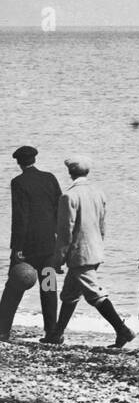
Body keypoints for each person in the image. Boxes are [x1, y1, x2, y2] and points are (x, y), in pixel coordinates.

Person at [46, 155, 136, 348]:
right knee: (70, 294)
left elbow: (65, 233)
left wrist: (58, 259)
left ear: (70, 172)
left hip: (79, 254)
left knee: (95, 295)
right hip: (94, 250)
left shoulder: (68, 196)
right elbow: (102, 225)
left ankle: (123, 330)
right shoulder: (98, 192)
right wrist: (99, 246)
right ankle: (56, 334)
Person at [0, 145, 61, 342]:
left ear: (19, 162)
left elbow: (21, 216)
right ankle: (52, 332)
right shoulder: (50, 178)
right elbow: (59, 209)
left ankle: (2, 331)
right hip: (49, 246)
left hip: (26, 246)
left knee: (14, 287)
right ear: (35, 159)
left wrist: (17, 247)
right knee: (49, 287)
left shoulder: (18, 182)